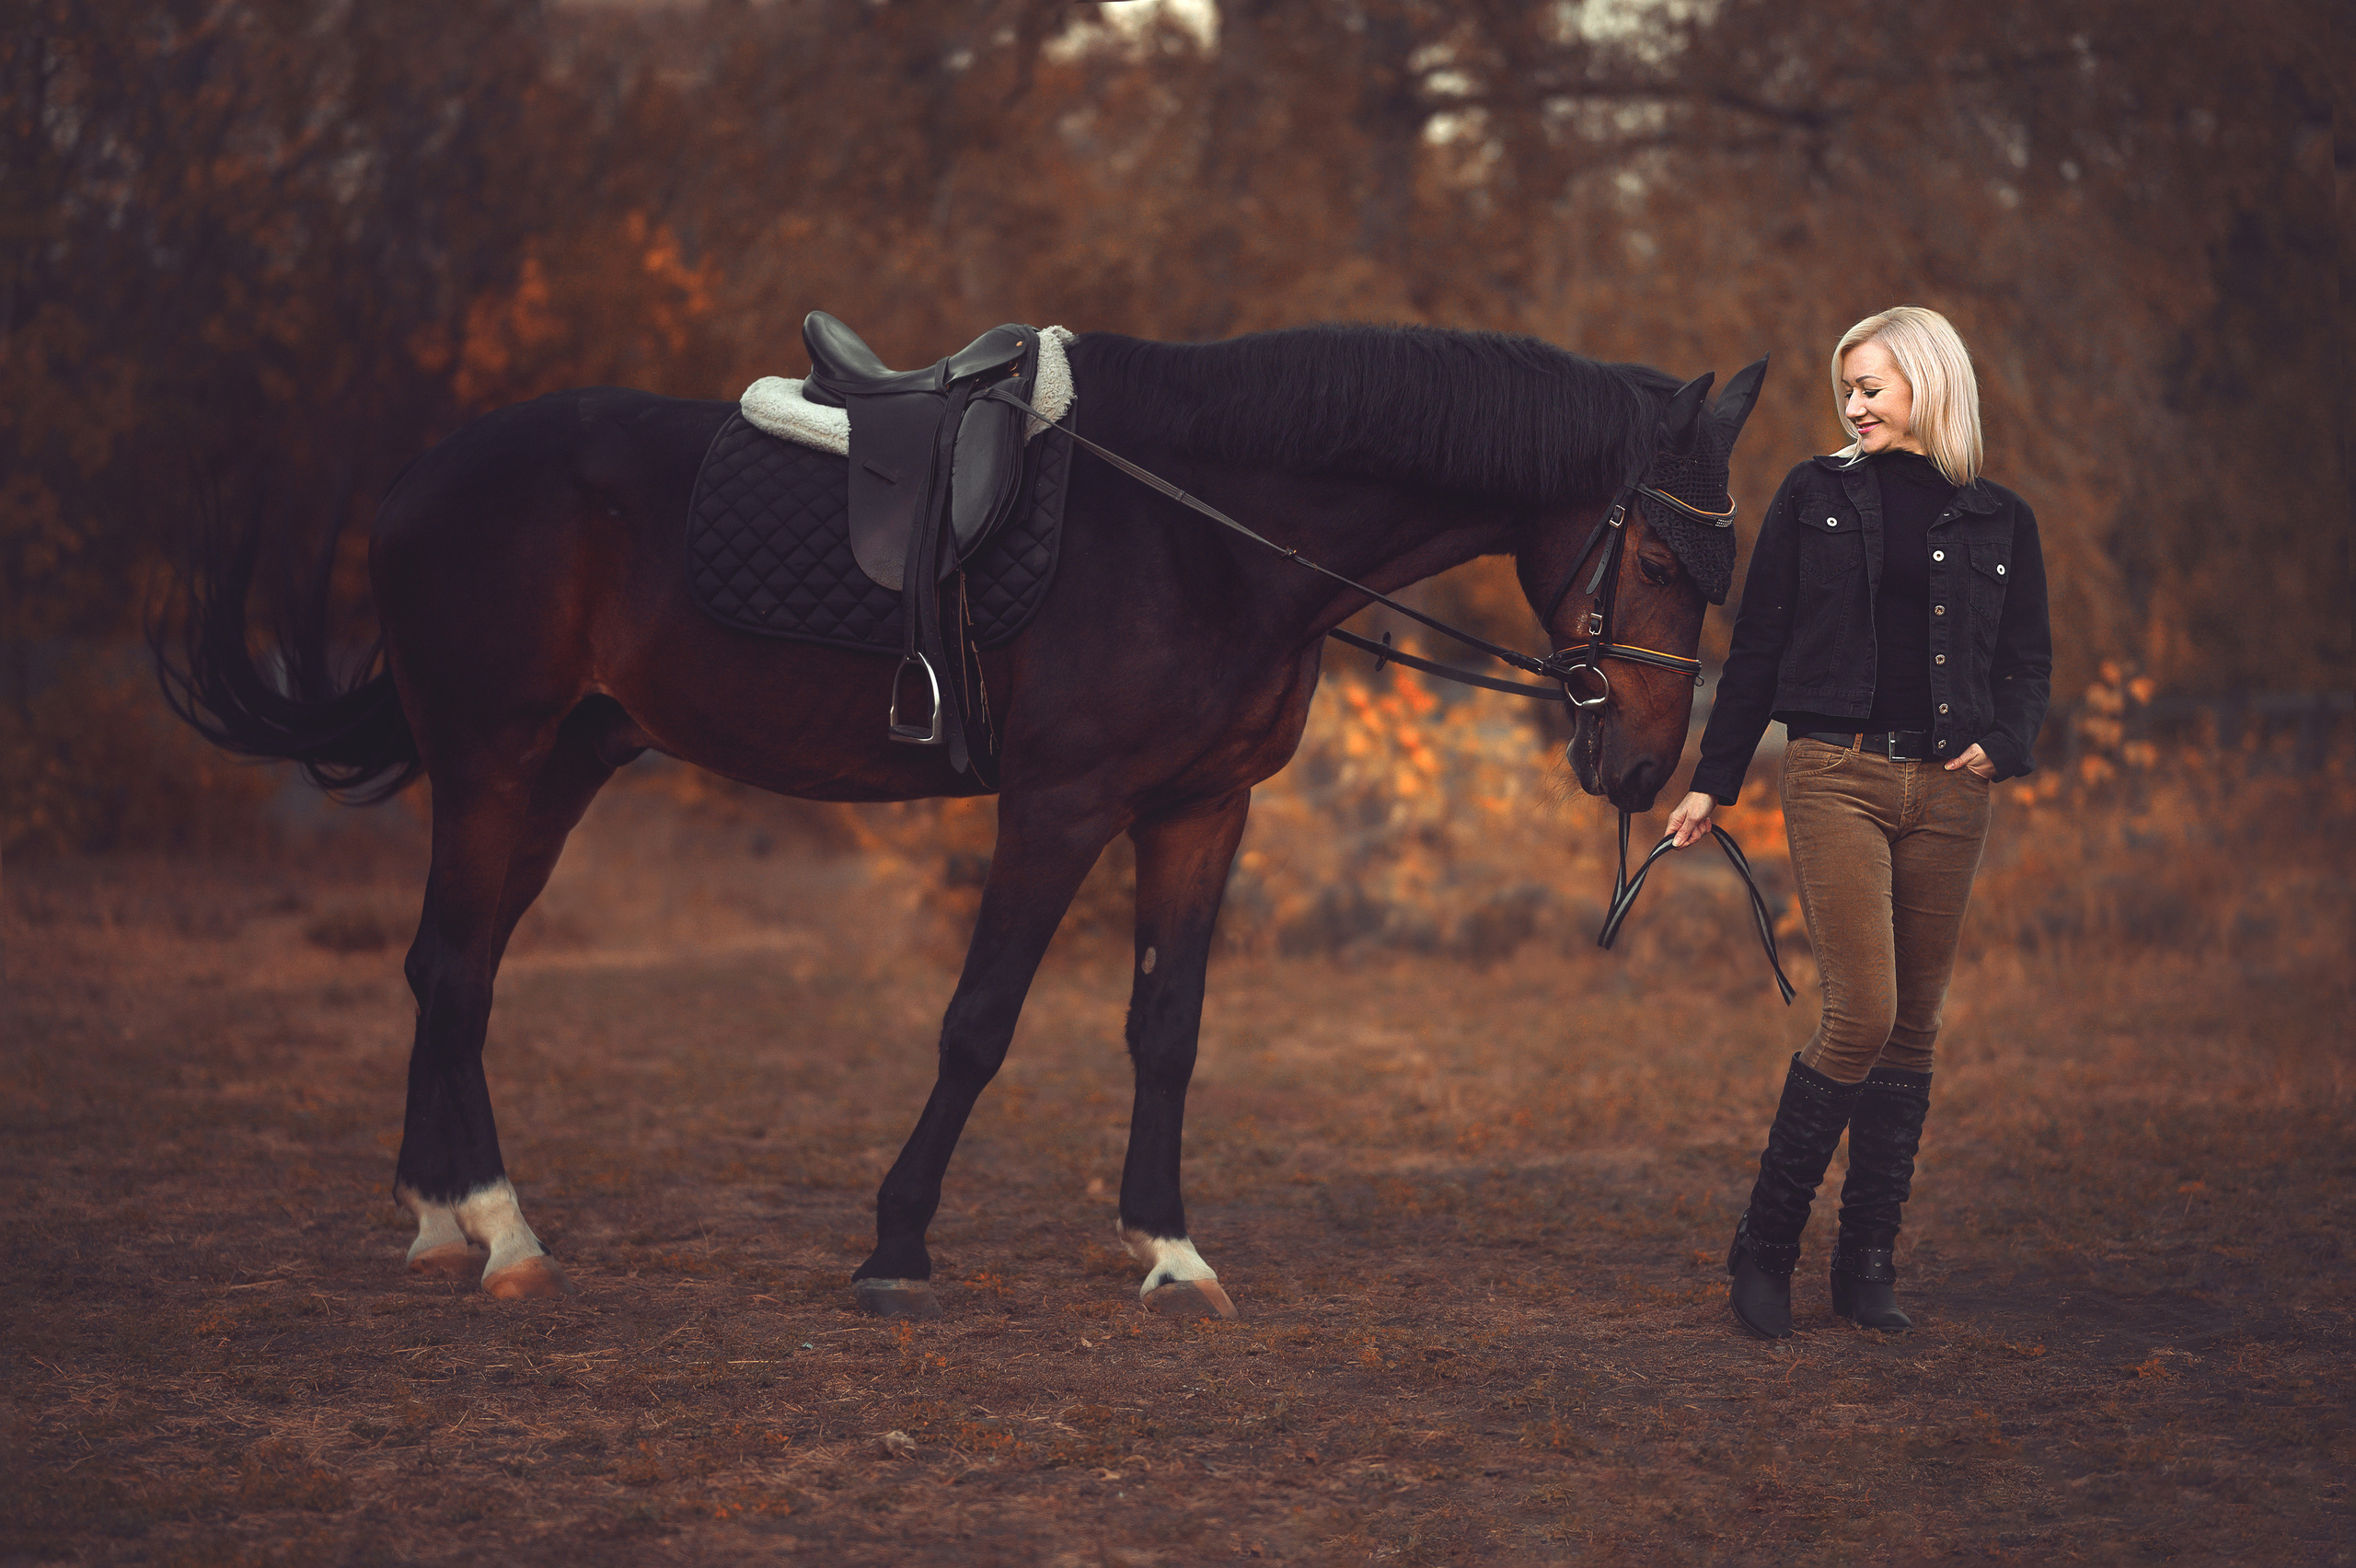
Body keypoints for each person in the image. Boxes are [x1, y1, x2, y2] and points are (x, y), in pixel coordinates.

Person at [1666, 306, 2051, 1339]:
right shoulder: (1814, 494)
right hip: (1835, 773)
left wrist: (2006, 742)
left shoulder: (2001, 518)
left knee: (1914, 1027)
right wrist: (1713, 780)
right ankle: (1765, 1247)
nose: (1853, 405)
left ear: (1928, 383)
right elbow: (1757, 646)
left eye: (1870, 387)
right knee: (1863, 1014)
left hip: (1951, 791)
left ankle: (1867, 1261)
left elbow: (2027, 661)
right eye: (1846, 389)